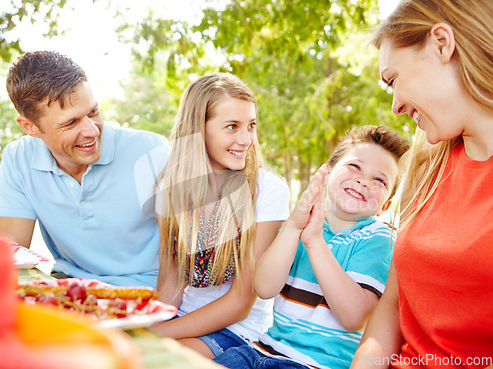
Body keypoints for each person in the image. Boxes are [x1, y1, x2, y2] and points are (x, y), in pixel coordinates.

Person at [349, 1, 493, 368]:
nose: (395, 106)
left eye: (393, 79)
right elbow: (395, 304)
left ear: (442, 44)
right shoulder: (426, 165)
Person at [214, 125, 410, 369]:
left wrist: (315, 241)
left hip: (315, 364)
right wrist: (294, 227)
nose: (363, 181)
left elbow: (354, 317)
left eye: (379, 180)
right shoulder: (297, 224)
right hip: (260, 350)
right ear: (326, 173)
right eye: (355, 166)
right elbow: (264, 287)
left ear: (385, 205)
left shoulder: (379, 239)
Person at [0, 50, 170, 288]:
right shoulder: (19, 159)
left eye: (93, 112)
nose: (92, 130)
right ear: (30, 127)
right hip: (70, 287)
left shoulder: (152, 151)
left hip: (147, 290)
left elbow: (182, 261)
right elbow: (8, 255)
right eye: (71, 122)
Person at [152, 73, 290, 358]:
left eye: (251, 126)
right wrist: (147, 330)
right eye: (232, 127)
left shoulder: (267, 189)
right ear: (197, 129)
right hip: (181, 319)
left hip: (236, 331)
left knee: (159, 361)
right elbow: (171, 281)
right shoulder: (171, 187)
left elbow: (240, 302)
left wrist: (157, 335)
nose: (245, 139)